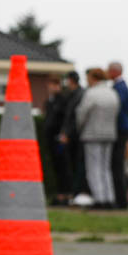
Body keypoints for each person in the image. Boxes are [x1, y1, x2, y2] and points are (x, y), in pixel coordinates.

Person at [73, 67, 119, 207]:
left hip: (92, 134)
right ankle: (109, 198)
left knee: (93, 168)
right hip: (109, 135)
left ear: (93, 78)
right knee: (105, 168)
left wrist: (79, 129)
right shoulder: (112, 93)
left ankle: (99, 199)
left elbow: (82, 113)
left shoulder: (91, 93)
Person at [46, 72, 83, 206]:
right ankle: (61, 193)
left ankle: (67, 194)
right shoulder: (50, 101)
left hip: (61, 139)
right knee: (58, 167)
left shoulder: (63, 100)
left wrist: (64, 134)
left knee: (65, 167)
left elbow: (66, 118)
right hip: (53, 139)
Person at [107, 61, 128, 210]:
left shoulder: (120, 87)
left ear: (114, 71)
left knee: (117, 164)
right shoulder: (120, 86)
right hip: (121, 128)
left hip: (120, 129)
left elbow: (117, 106)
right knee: (117, 164)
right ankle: (120, 199)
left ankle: (121, 200)